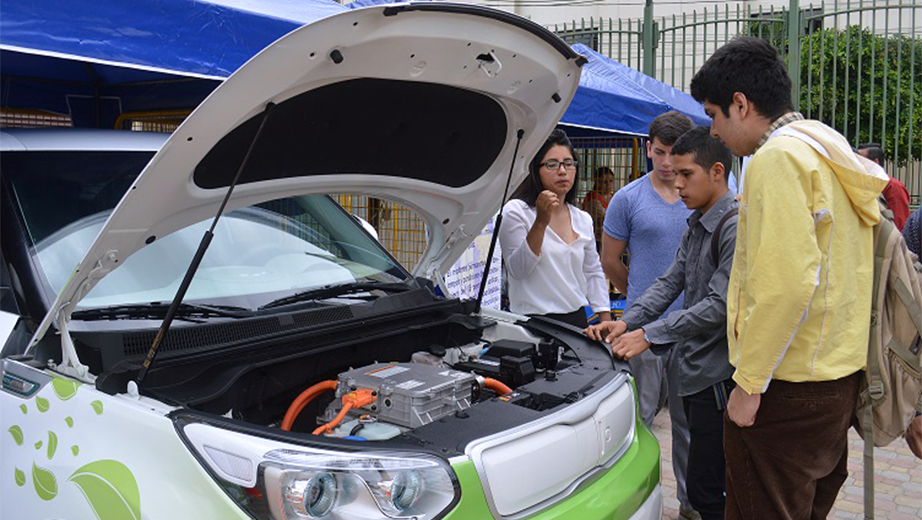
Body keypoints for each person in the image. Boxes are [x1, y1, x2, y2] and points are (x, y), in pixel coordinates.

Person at [690, 37, 890, 520]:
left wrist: (749, 384)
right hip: (834, 380)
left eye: (715, 113)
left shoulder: (777, 158)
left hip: (786, 384)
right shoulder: (829, 149)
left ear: (742, 103)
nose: (713, 129)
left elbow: (786, 283)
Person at [586, 127, 738, 520]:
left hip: (719, 372)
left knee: (711, 485)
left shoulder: (734, 226)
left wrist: (649, 334)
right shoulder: (698, 220)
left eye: (686, 173)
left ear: (717, 172)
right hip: (692, 357)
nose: (676, 180)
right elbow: (672, 280)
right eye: (667, 162)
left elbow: (719, 304)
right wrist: (627, 321)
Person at [600, 110, 697, 519]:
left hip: (693, 329)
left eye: (675, 154)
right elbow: (610, 260)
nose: (667, 162)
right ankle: (641, 498)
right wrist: (639, 302)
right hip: (641, 332)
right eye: (659, 152)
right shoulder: (628, 198)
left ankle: (690, 505)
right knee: (638, 420)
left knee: (688, 425)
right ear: (647, 148)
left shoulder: (701, 194)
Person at [498, 128, 611, 328]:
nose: (562, 171)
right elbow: (517, 270)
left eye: (568, 163)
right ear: (535, 169)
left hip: (576, 322)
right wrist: (541, 222)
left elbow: (593, 271)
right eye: (552, 164)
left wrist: (605, 318)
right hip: (532, 323)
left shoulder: (582, 218)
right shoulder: (517, 211)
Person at [858, 142, 910, 230]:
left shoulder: (893, 186)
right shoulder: (863, 184)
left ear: (875, 162)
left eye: (861, 161)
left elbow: (900, 224)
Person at [582, 166, 615, 245]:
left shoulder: (613, 196)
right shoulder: (592, 197)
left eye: (611, 181)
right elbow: (604, 215)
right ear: (597, 182)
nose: (608, 185)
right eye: (604, 182)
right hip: (594, 236)